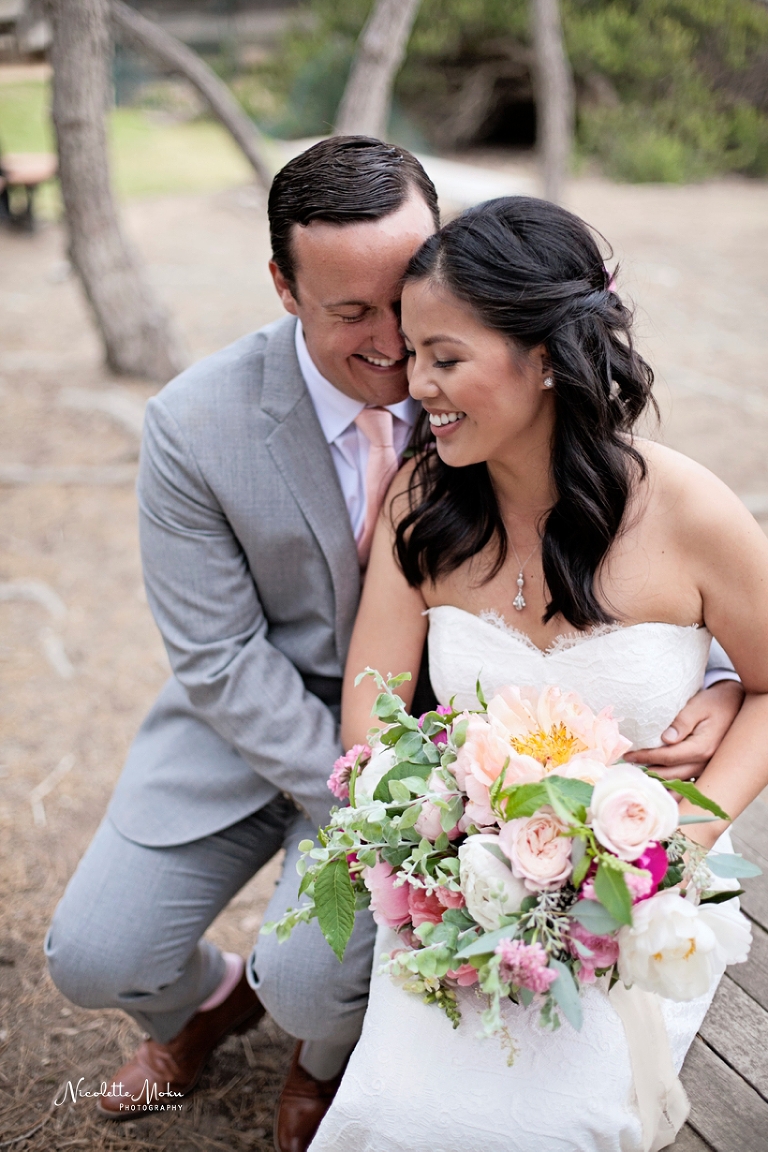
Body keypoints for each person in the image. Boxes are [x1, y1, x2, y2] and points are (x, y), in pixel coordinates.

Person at [43, 139, 739, 1152]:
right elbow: (220, 659)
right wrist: (411, 814)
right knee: (95, 955)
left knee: (318, 986)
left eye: (416, 316)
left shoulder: (489, 370)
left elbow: (637, 593)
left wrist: (712, 683)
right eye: (355, 314)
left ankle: (318, 1051)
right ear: (284, 287)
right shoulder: (196, 425)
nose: (399, 355)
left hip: (501, 752)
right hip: (293, 730)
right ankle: (201, 1008)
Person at [308, 196, 768, 1152]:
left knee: (561, 1125)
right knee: (397, 1116)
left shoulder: (686, 508)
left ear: (546, 355)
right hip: (454, 891)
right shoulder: (422, 505)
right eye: (412, 354)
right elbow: (371, 712)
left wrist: (685, 835)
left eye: (445, 356)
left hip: (636, 903)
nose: (413, 386)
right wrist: (445, 838)